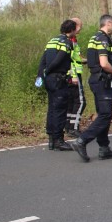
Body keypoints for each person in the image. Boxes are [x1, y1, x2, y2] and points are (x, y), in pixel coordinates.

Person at [69, 14, 112, 162]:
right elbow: (104, 63)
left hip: (96, 80)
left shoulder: (94, 37)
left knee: (102, 114)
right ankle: (82, 141)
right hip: (102, 81)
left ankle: (104, 148)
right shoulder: (103, 39)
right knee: (105, 115)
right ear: (108, 23)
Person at [37, 20, 77, 151]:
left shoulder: (52, 41)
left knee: (52, 108)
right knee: (60, 110)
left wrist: (41, 75)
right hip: (58, 79)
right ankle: (59, 140)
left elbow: (43, 60)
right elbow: (59, 59)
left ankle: (51, 140)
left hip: (49, 80)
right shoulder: (66, 42)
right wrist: (48, 70)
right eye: (75, 29)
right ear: (71, 30)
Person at [65, 17, 87, 138]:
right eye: (80, 26)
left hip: (71, 75)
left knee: (72, 102)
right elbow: (69, 60)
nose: (80, 29)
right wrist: (73, 75)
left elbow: (76, 58)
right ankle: (73, 127)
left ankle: (68, 126)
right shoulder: (69, 41)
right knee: (81, 102)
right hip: (73, 76)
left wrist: (86, 60)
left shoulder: (72, 39)